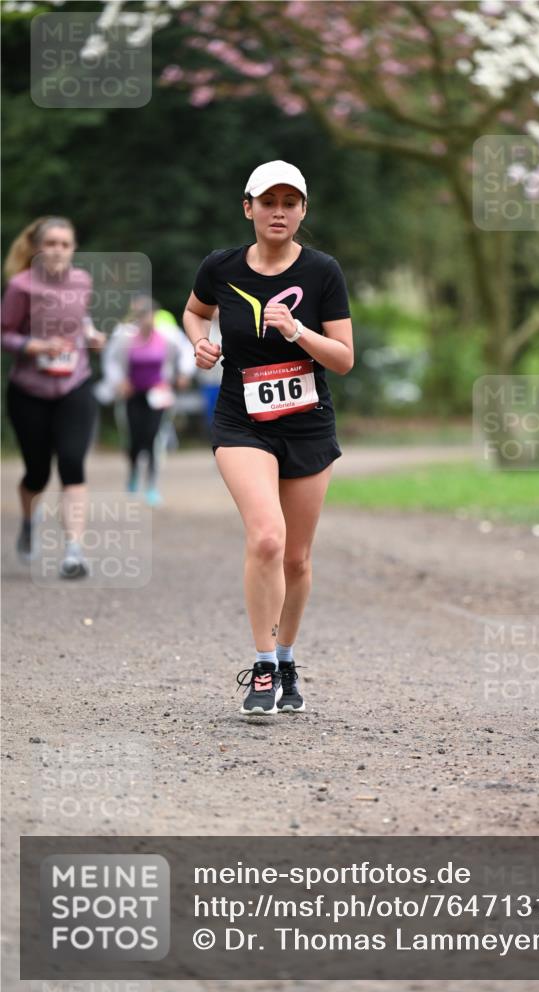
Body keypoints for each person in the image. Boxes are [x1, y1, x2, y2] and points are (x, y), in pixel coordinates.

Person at [183, 160, 354, 716]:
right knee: (266, 539)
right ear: (248, 208)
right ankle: (261, 670)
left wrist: (298, 331)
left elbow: (345, 360)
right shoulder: (221, 266)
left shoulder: (323, 272)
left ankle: (285, 660)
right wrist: (200, 343)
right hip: (242, 421)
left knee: (298, 560)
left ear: (304, 210)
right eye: (268, 201)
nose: (278, 211)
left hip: (307, 423)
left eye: (290, 202)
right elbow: (194, 312)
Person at [1, 216, 106, 578]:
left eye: (65, 244)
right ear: (37, 248)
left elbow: (82, 321)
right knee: (37, 472)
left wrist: (92, 335)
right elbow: (5, 334)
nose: (59, 250)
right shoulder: (21, 286)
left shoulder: (82, 281)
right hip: (29, 391)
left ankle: (74, 553)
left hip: (75, 385)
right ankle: (30, 521)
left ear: (73, 248)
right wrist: (35, 345)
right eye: (52, 243)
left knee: (73, 463)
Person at [97, 295, 194, 505]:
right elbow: (110, 360)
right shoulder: (125, 336)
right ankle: (133, 473)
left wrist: (183, 373)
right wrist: (119, 382)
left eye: (149, 315)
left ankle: (151, 485)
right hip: (133, 393)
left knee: (153, 438)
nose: (145, 320)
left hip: (158, 393)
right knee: (134, 438)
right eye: (141, 316)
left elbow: (186, 351)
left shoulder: (167, 335)